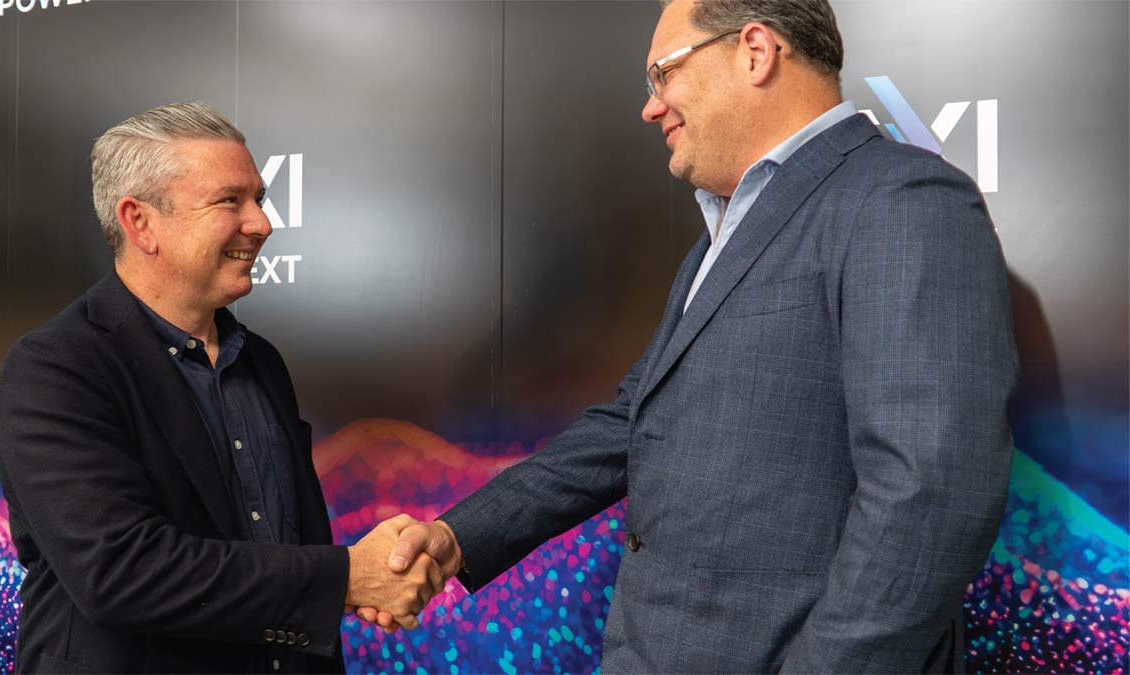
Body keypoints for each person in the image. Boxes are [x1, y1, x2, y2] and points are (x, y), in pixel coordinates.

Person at [366, 0, 1018, 671]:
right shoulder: (724, 234)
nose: (651, 107)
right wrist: (457, 538)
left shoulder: (904, 201)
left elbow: (930, 498)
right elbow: (632, 421)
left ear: (756, 51)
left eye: (664, 74)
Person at [0, 102, 442, 674]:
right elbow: (120, 571)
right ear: (140, 222)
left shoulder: (260, 361)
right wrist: (350, 576)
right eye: (230, 201)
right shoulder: (56, 367)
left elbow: (287, 548)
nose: (261, 224)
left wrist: (366, 581)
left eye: (259, 198)